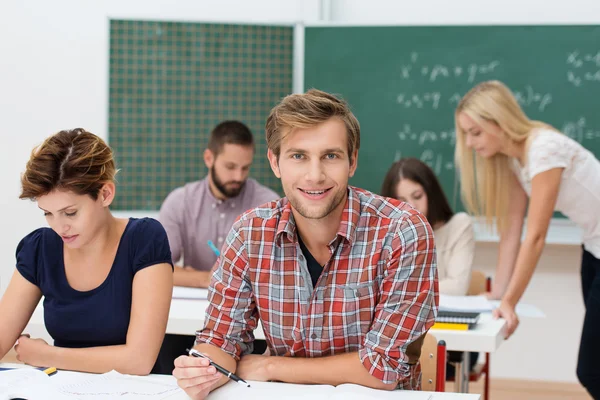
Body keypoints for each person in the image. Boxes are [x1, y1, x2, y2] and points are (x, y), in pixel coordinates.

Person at [172, 89, 438, 399]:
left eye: (331, 156)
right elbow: (221, 339)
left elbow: (384, 368)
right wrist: (204, 369)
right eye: (298, 156)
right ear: (275, 162)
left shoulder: (402, 232)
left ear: (352, 161)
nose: (315, 175)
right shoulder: (249, 233)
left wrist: (272, 367)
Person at [454, 80, 600, 398]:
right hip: (593, 247)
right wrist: (500, 294)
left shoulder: (543, 148)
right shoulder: (514, 159)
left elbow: (535, 236)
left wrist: (511, 303)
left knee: (591, 370)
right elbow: (512, 230)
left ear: (499, 121)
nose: (468, 143)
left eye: (475, 132)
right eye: (465, 133)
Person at [0, 128, 173, 374]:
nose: (60, 227)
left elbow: (139, 360)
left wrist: (47, 355)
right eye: (48, 213)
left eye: (70, 212)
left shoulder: (144, 239)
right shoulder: (39, 248)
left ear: (105, 194)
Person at [381, 157, 476, 378]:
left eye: (417, 197)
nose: (411, 207)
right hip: (399, 337)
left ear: (430, 193)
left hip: (449, 339)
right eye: (401, 200)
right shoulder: (389, 233)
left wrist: (404, 292)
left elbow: (458, 286)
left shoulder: (459, 226)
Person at [159, 120, 279, 288]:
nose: (238, 176)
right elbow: (156, 269)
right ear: (209, 158)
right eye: (230, 167)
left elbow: (279, 273)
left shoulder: (268, 205)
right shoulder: (180, 202)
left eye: (245, 168)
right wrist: (206, 279)